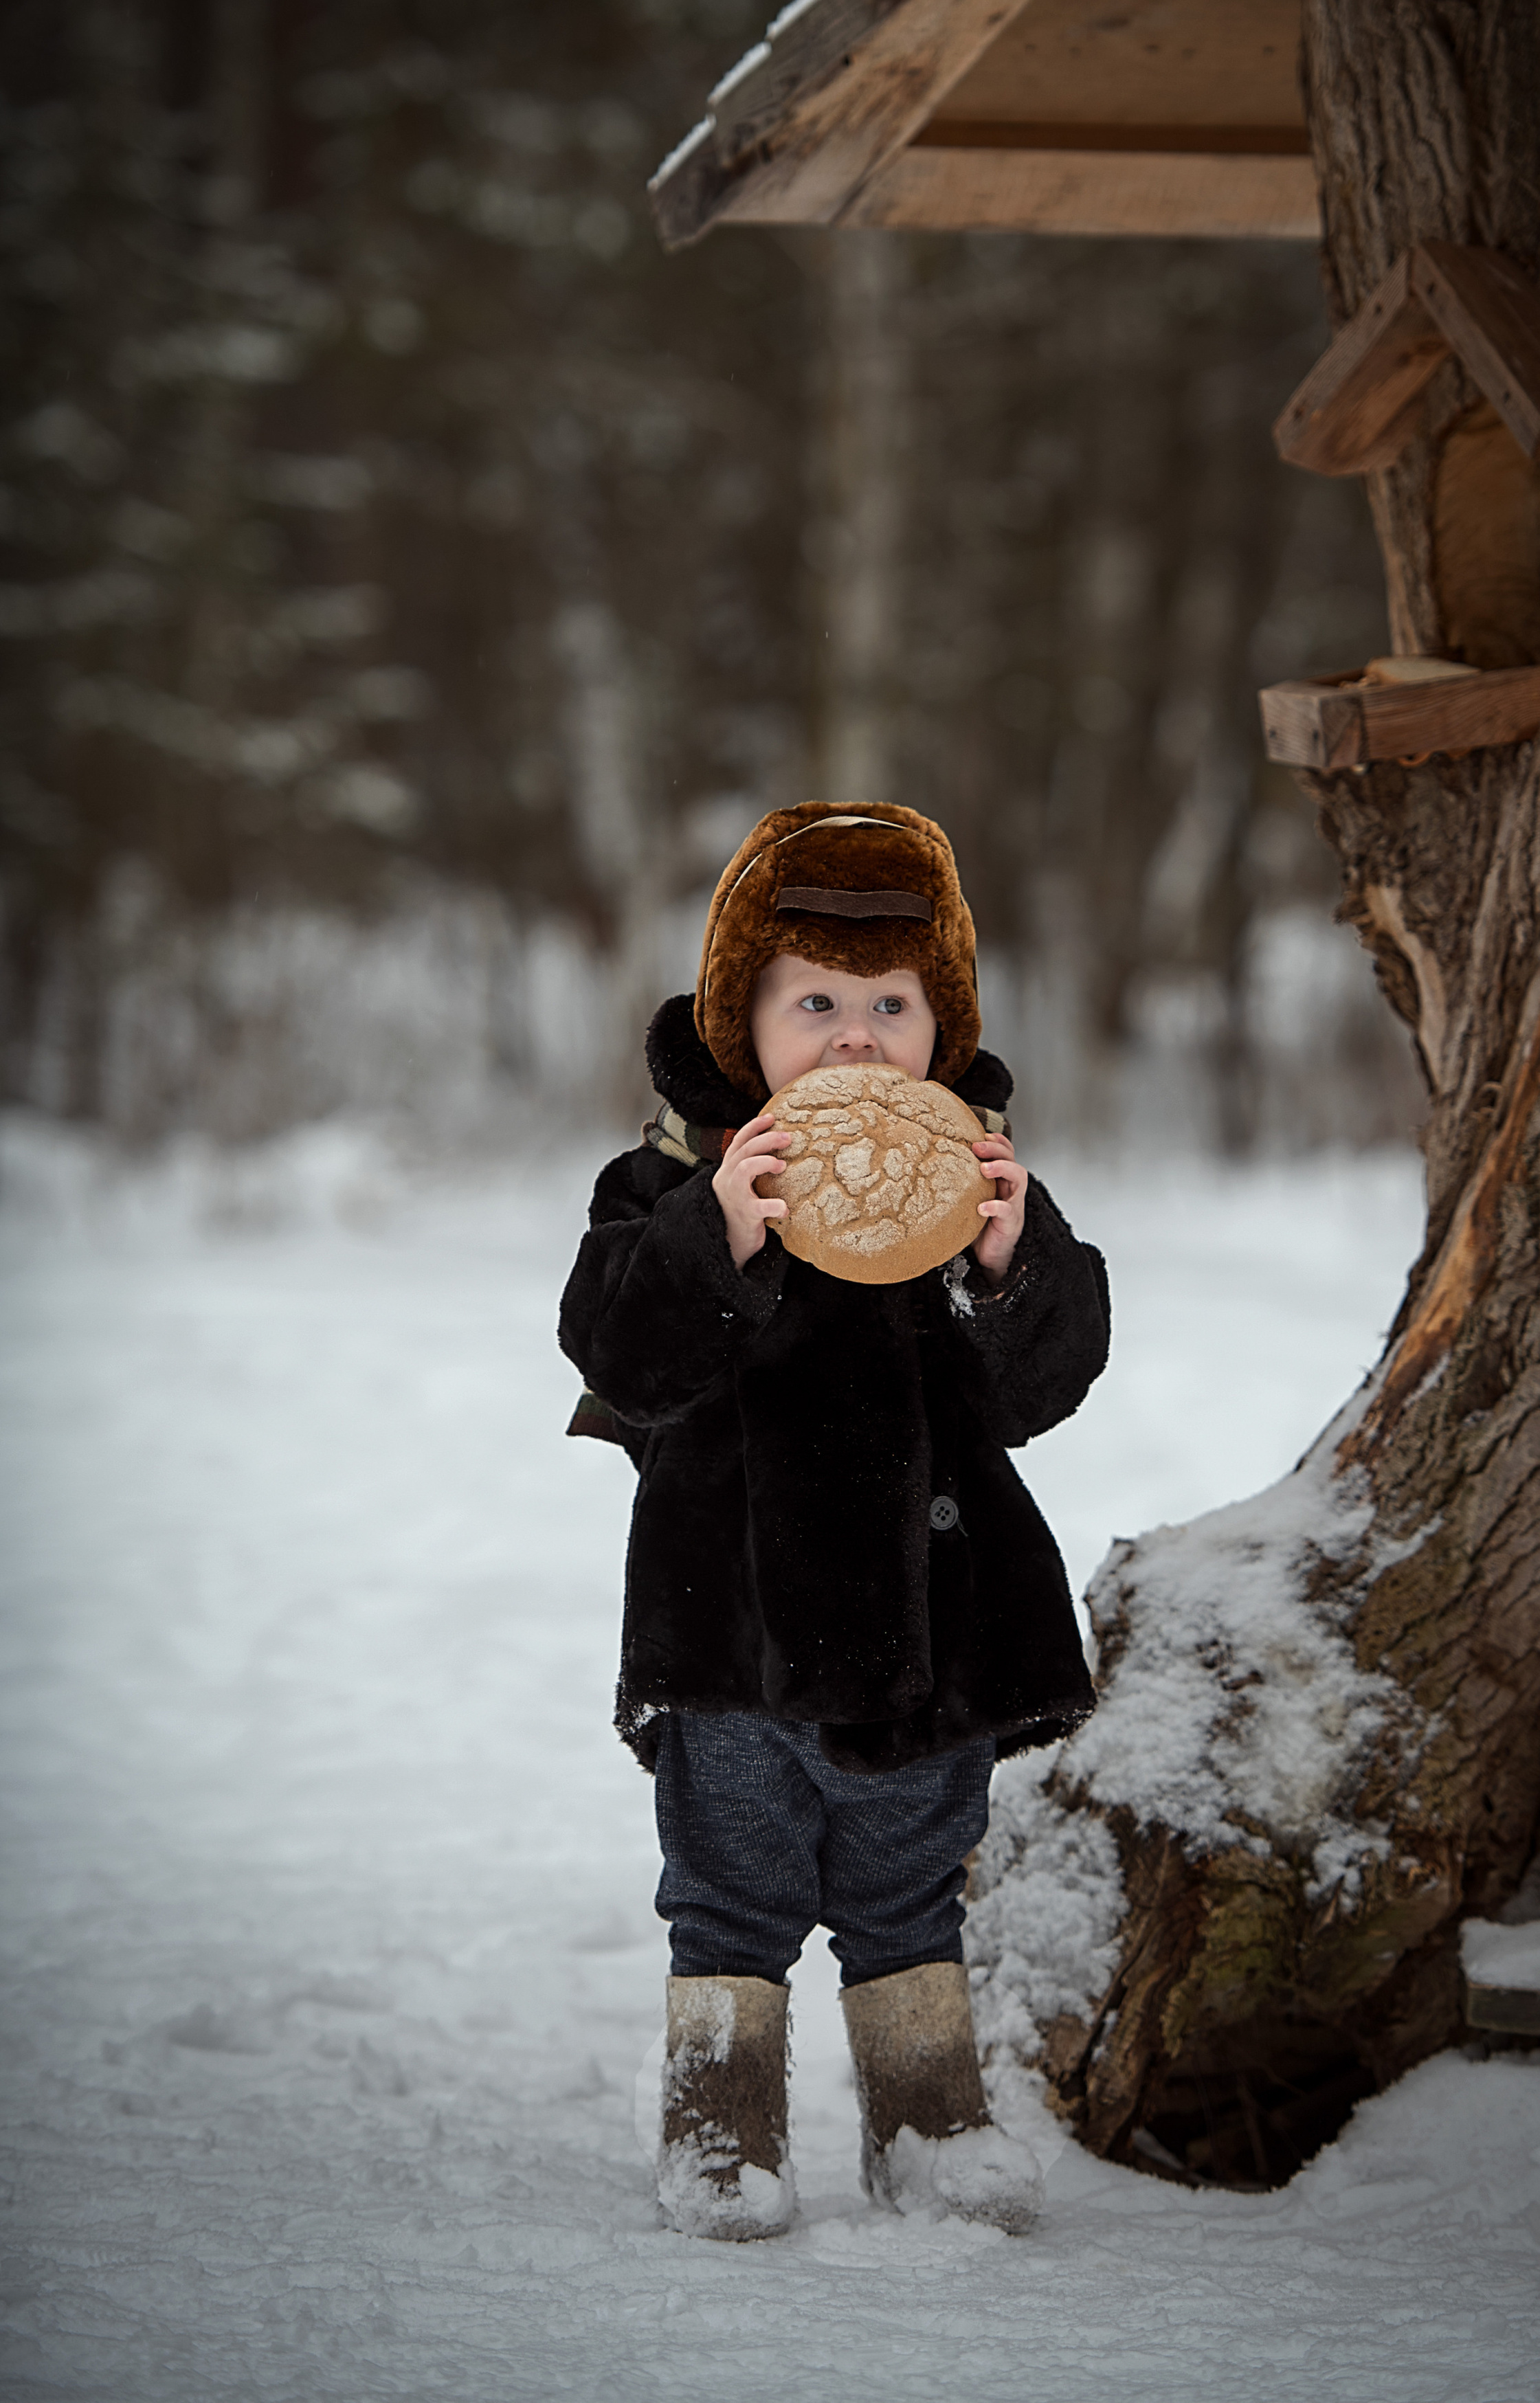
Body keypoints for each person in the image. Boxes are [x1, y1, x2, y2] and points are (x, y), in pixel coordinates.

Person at [558, 801, 1108, 2239]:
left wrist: (1011, 1263)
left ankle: (927, 2125)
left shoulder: (963, 1193)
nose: (855, 1038)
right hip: (730, 1632)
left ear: (943, 1030)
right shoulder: (673, 1182)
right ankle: (718, 2127)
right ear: (744, 1021)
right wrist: (713, 1232)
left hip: (930, 1638)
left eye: (890, 1004)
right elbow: (617, 1356)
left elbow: (1043, 1388)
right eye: (815, 1003)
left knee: (909, 1894)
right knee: (729, 1891)